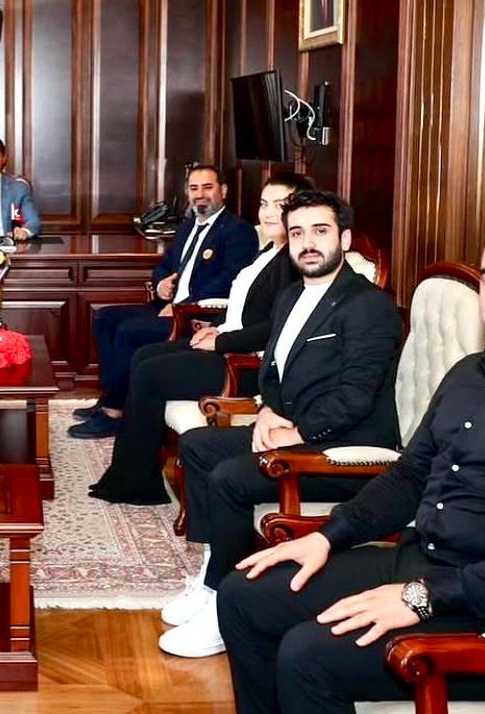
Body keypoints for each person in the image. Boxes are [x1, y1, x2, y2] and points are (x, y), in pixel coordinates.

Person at [220, 216, 485, 714]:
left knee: (308, 655)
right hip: (423, 562)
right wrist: (326, 537)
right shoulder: (469, 373)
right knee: (244, 595)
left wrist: (422, 596)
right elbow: (409, 477)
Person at [158, 190, 402, 658]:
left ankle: (224, 609)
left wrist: (298, 433)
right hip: (293, 431)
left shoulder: (369, 305)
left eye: (320, 231)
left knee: (229, 477)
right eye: (297, 233)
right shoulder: (291, 296)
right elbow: (272, 371)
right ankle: (211, 580)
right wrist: (269, 411)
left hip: (344, 453)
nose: (308, 243)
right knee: (199, 446)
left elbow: (355, 396)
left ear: (344, 239)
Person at [88, 173, 313, 504]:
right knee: (145, 356)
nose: (267, 213)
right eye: (264, 204)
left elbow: (275, 328)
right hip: (228, 342)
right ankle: (131, 474)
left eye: (279, 206)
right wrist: (216, 326)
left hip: (247, 364)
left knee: (150, 372)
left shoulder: (294, 263)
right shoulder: (268, 251)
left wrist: (220, 341)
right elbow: (240, 306)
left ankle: (136, 483)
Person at [70, 164, 258, 439]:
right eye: (194, 189)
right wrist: (161, 285)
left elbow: (230, 280)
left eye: (207, 187)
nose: (200, 195)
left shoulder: (238, 231)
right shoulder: (187, 226)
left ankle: (114, 413)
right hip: (169, 307)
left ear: (224, 191)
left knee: (129, 331)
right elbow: (164, 265)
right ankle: (112, 397)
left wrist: (183, 305)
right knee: (104, 318)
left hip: (198, 317)